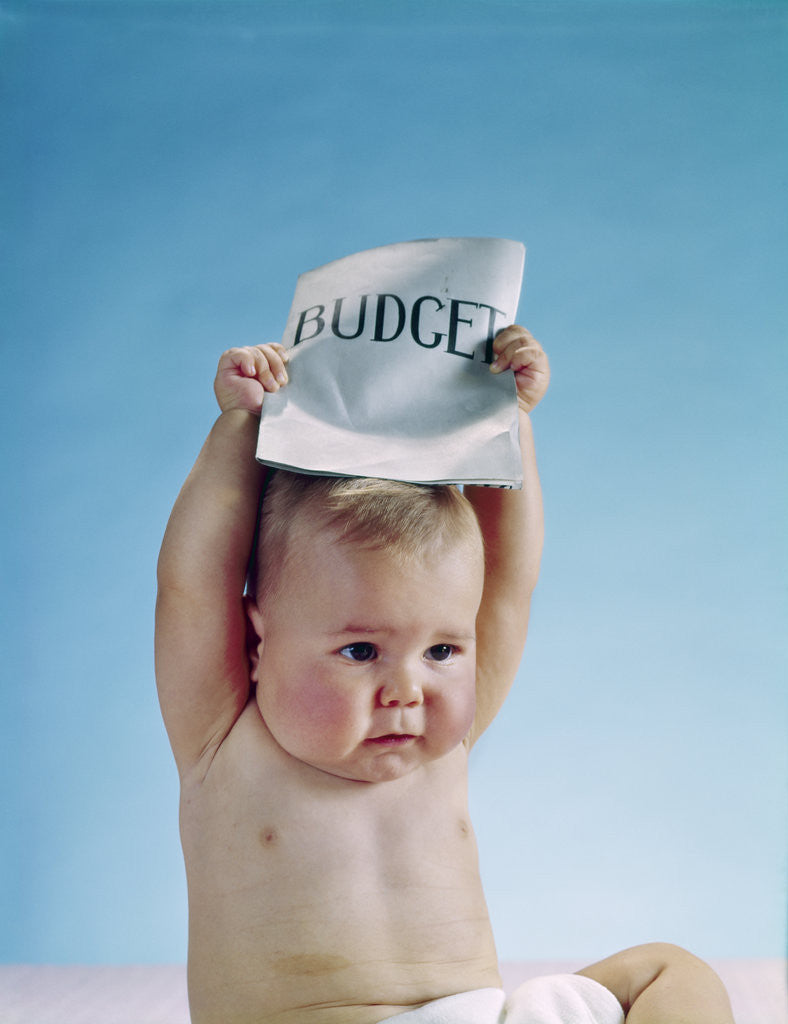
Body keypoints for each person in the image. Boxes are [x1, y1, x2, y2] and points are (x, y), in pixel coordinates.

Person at [155, 326, 734, 1024]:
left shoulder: (443, 747)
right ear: (256, 641)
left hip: (479, 1015)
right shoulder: (222, 741)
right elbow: (191, 586)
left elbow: (507, 580)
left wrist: (503, 420)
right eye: (360, 651)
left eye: (440, 652)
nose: (408, 691)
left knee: (670, 970)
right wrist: (241, 425)